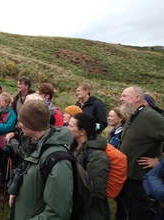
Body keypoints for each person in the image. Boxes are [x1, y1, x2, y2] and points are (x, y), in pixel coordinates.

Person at [6, 100, 74, 219]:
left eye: (22, 121)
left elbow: (57, 214)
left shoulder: (58, 161)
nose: (19, 124)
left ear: (33, 125)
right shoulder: (34, 145)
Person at [118, 86, 164, 220]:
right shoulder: (134, 115)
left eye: (124, 95)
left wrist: (160, 161)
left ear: (137, 97)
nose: (121, 99)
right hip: (130, 181)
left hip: (142, 183)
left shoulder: (149, 116)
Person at [67, 112, 110, 220]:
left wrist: (70, 197)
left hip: (89, 214)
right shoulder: (73, 148)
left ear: (82, 131)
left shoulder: (97, 156)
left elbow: (96, 192)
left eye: (71, 126)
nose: (67, 128)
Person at [107, 107, 129, 220]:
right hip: (114, 167)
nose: (109, 118)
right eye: (109, 116)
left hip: (120, 169)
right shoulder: (113, 132)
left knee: (122, 199)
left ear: (120, 118)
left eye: (111, 116)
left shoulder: (122, 134)